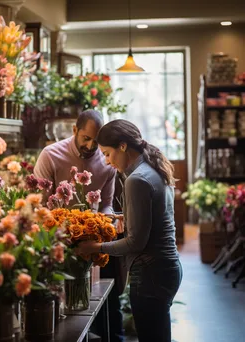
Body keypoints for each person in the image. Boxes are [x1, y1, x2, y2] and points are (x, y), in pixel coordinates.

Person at [76, 119, 183, 342]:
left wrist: (94, 247)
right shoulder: (154, 168)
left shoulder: (136, 179)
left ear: (123, 146)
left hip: (150, 274)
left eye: (107, 153)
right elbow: (158, 217)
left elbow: (135, 243)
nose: (107, 161)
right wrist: (128, 216)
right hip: (166, 268)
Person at [34, 110, 125, 342]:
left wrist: (102, 224)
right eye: (86, 138)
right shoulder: (51, 155)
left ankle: (113, 337)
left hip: (93, 239)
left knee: (108, 296)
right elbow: (38, 204)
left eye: (96, 140)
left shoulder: (106, 160)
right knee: (62, 305)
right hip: (57, 240)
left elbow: (106, 204)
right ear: (74, 130)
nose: (92, 145)